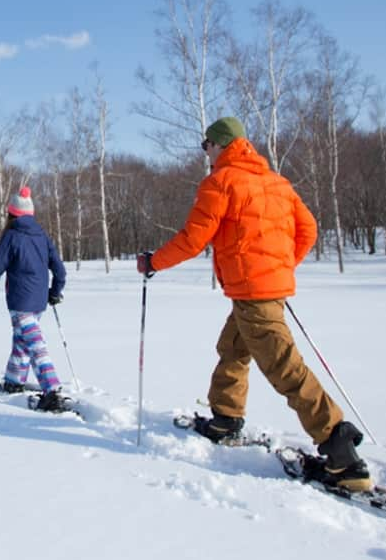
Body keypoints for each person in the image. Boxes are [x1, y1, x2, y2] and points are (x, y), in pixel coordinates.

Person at [138, 117, 372, 492]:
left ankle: (339, 448)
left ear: (219, 145)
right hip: (262, 289)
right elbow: (308, 229)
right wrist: (278, 268)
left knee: (284, 367)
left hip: (255, 292)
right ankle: (225, 419)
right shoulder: (277, 183)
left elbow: (193, 239)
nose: (206, 153)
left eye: (206, 145)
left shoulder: (220, 182)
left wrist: (152, 262)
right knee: (232, 348)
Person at [0, 186, 69, 412]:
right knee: (22, 341)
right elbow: (60, 270)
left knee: (35, 344)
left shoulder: (12, 236)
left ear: (12, 214)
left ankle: (51, 390)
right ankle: (14, 381)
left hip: (20, 301)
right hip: (39, 301)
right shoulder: (42, 235)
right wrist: (54, 291)